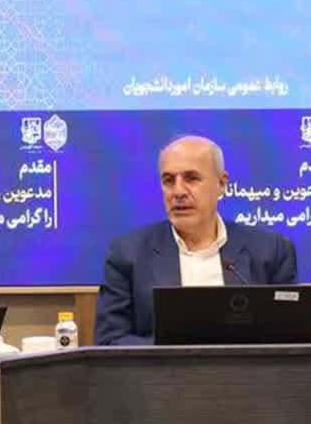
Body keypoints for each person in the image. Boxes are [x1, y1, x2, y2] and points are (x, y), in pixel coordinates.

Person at [94, 134, 298, 345]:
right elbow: (109, 341)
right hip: (163, 367)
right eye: (168, 181)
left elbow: (291, 338)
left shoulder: (270, 251)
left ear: (222, 184)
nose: (178, 192)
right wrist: (175, 350)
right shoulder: (128, 254)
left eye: (191, 178)